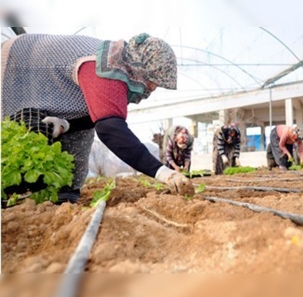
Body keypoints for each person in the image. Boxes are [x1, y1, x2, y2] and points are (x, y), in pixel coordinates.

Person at [1, 32, 194, 203]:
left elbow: (94, 117)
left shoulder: (121, 68)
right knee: (20, 133)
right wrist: (162, 172)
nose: (152, 88)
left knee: (80, 136)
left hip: (49, 78)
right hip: (19, 64)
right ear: (141, 68)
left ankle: (65, 193)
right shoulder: (107, 71)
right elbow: (111, 130)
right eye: (154, 81)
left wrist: (66, 124)